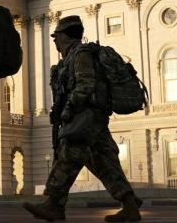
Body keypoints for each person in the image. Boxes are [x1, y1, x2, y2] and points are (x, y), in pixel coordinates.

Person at [22, 15, 141, 223]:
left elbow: (86, 84)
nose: (55, 41)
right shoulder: (69, 58)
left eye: (56, 37)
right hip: (91, 116)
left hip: (85, 116)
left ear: (66, 37)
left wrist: (69, 108)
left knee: (68, 154)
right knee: (104, 162)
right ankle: (129, 204)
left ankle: (53, 203)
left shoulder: (81, 54)